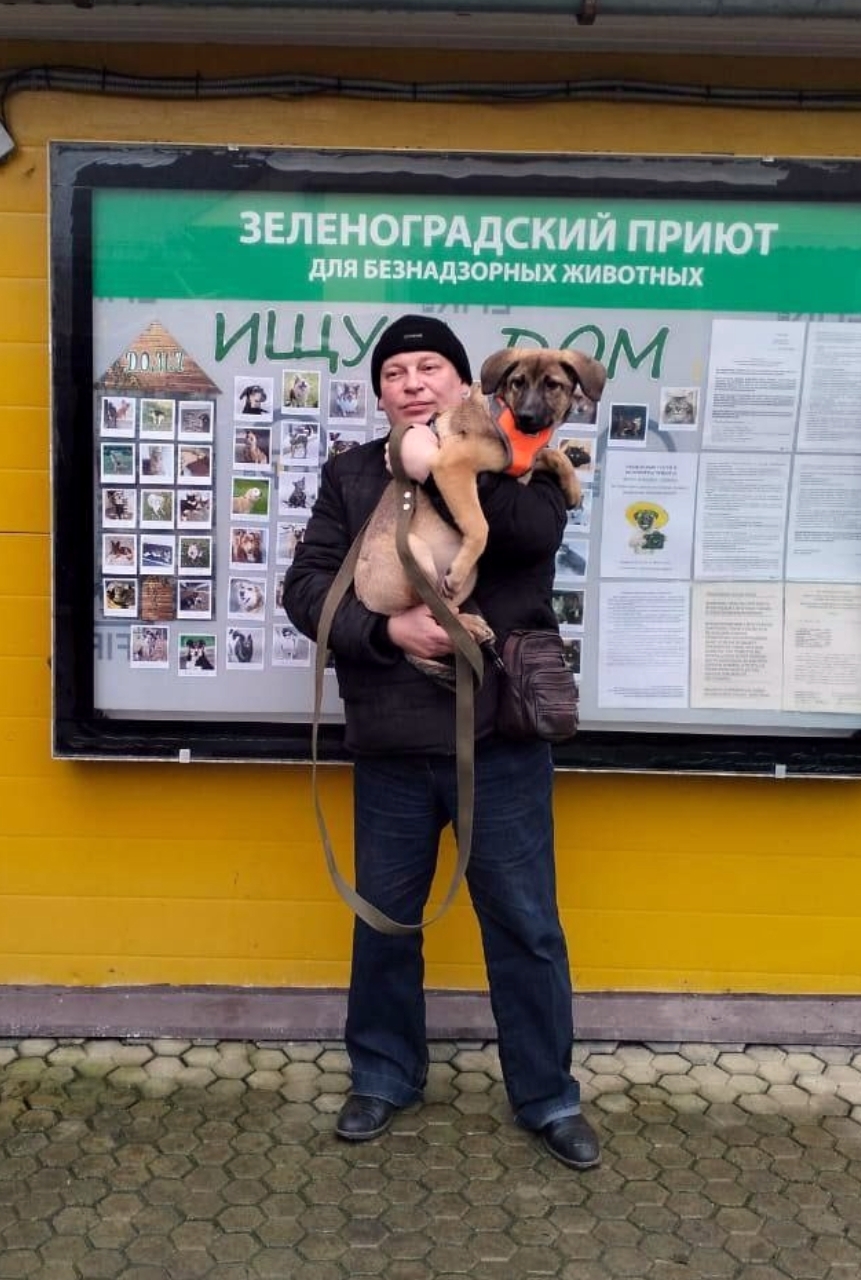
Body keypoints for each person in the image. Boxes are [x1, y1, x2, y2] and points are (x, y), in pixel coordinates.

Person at [282, 315, 600, 1171]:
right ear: (379, 393)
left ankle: (548, 1095)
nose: (413, 382)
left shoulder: (526, 457)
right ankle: (383, 1075)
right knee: (385, 921)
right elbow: (305, 588)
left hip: (499, 736)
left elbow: (532, 540)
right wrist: (390, 631)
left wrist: (438, 465)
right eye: (395, 372)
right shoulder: (351, 473)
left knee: (526, 924)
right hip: (390, 736)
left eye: (430, 367)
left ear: (466, 385)